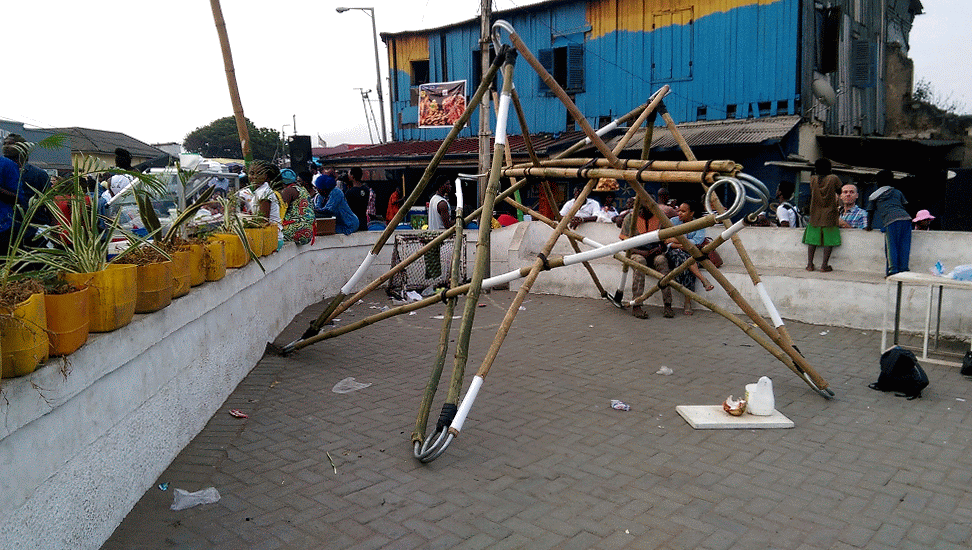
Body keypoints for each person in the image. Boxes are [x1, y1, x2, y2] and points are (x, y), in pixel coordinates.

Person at [619, 205, 674, 319]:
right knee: (640, 262)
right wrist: (642, 252)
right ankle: (637, 305)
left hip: (655, 253)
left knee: (662, 261)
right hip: (636, 252)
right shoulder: (630, 218)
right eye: (644, 209)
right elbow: (624, 245)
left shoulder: (660, 217)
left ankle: (668, 304)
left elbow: (666, 241)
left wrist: (660, 248)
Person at [665, 201, 716, 315]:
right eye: (679, 210)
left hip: (691, 254)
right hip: (674, 253)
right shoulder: (673, 222)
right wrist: (681, 244)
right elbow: (666, 241)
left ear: (691, 213)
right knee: (684, 258)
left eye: (683, 211)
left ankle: (688, 301)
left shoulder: (698, 224)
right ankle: (701, 281)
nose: (679, 213)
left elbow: (697, 241)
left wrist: (676, 240)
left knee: (687, 262)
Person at [866, 169, 911, 276]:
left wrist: (869, 226)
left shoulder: (874, 195)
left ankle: (892, 270)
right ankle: (904, 269)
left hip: (891, 221)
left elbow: (870, 212)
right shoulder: (897, 192)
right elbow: (905, 206)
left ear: (877, 182)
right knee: (904, 246)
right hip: (906, 219)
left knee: (892, 246)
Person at [802, 158, 842, 272]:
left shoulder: (813, 179)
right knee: (829, 241)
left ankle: (810, 264)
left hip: (815, 214)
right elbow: (839, 191)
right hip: (830, 214)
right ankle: (824, 265)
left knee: (812, 241)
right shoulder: (833, 178)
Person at [248, 160, 282, 250]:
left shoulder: (264, 193)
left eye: (259, 173)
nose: (254, 177)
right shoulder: (258, 191)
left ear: (266, 176)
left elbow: (263, 220)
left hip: (272, 238)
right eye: (251, 173)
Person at [278, 168, 314, 245]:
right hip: (308, 231)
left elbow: (281, 212)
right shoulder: (302, 190)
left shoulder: (288, 191)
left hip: (295, 231)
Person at [345, 166, 372, 232]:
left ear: (352, 176)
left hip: (353, 222)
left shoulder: (350, 192)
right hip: (363, 221)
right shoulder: (366, 189)